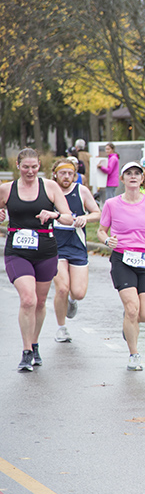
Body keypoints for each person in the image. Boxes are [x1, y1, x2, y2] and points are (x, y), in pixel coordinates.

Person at [0, 148, 73, 372]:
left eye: (34, 167)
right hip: (17, 251)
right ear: (18, 166)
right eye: (25, 167)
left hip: (45, 250)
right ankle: (26, 352)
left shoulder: (50, 187)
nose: (30, 171)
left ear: (39, 166)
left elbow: (69, 218)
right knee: (28, 300)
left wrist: (55, 215)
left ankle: (34, 343)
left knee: (40, 302)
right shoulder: (6, 189)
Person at [97, 161, 145, 371]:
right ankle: (134, 354)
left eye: (137, 173)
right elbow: (101, 230)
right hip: (122, 259)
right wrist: (106, 240)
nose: (133, 176)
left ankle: (129, 321)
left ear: (142, 179)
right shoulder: (112, 204)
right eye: (129, 173)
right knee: (132, 308)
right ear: (122, 179)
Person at [50, 158, 101, 343]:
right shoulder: (48, 190)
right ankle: (61, 328)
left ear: (75, 175)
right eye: (63, 173)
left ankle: (72, 302)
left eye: (70, 173)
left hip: (77, 245)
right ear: (55, 173)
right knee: (62, 288)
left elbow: (97, 213)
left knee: (78, 292)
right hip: (55, 246)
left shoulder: (81, 191)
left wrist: (84, 218)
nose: (66, 177)